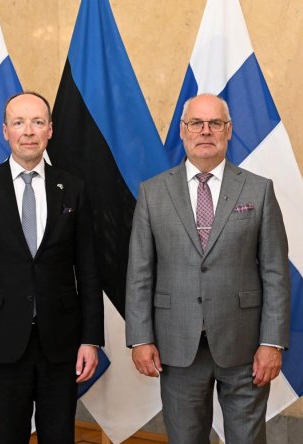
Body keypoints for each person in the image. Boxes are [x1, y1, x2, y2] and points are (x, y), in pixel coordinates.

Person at [125, 93, 290, 444]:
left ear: (228, 130)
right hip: (176, 346)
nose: (205, 131)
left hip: (245, 346)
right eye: (196, 123)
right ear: (182, 130)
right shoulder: (152, 193)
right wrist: (140, 338)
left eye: (215, 123)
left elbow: (275, 272)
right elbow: (140, 273)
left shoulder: (259, 190)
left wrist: (272, 343)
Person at [0, 91, 104, 443]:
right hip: (0, 343)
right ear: (5, 130)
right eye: (19, 123)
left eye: (37, 122)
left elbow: (89, 270)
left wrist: (91, 339)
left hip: (61, 343)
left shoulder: (74, 188)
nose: (29, 131)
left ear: (50, 129)